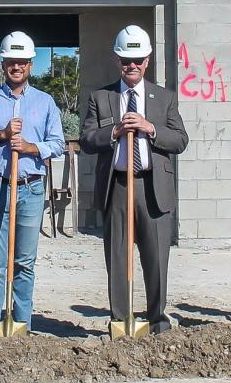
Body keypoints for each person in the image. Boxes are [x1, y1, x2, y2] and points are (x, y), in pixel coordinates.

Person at [81, 25, 188, 334]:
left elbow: (180, 140)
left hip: (152, 184)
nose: (132, 65)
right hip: (117, 185)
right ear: (118, 60)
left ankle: (157, 318)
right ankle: (120, 319)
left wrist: (149, 127)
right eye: (126, 60)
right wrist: (113, 132)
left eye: (138, 60)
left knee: (155, 257)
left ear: (147, 60)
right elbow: (87, 138)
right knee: (118, 256)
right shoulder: (101, 98)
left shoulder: (164, 99)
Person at [0, 31, 65, 335]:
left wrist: (31, 148)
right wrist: (1, 137)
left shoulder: (45, 102)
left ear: (31, 65)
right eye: (11, 61)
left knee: (24, 262)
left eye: (22, 61)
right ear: (4, 63)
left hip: (31, 187)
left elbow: (58, 143)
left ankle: (21, 325)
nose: (17, 66)